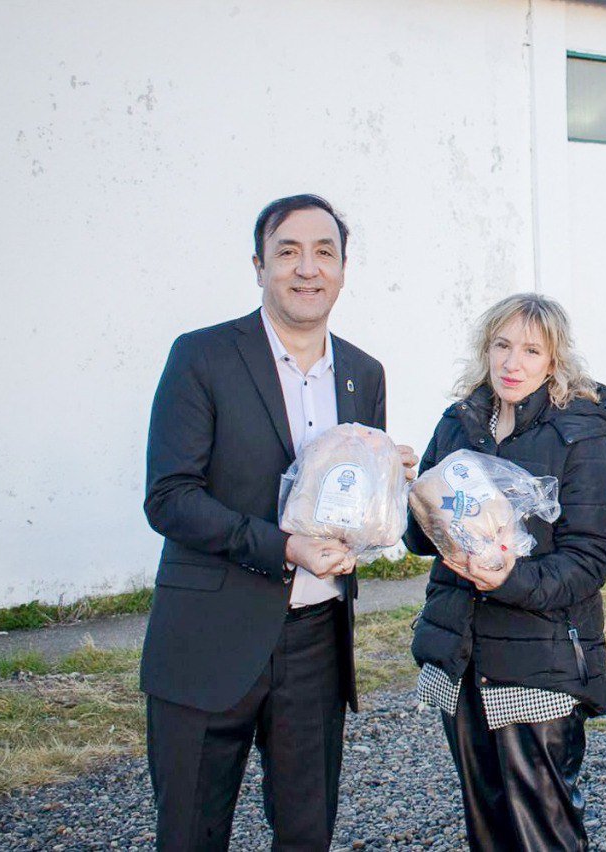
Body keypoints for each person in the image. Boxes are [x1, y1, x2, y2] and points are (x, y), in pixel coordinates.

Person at [142, 194, 416, 850]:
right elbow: (170, 497)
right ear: (259, 265)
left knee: (305, 833)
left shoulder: (362, 372)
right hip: (210, 636)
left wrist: (389, 484)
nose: (306, 268)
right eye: (288, 251)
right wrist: (286, 547)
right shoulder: (201, 357)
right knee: (189, 834)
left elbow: (349, 507)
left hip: (316, 641)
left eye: (324, 252)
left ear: (344, 270)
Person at [408, 293, 606, 852]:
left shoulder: (581, 435)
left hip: (538, 663)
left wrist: (509, 580)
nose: (512, 362)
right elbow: (419, 540)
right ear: (486, 349)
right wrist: (408, 494)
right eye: (502, 345)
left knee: (543, 832)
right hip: (462, 655)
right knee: (488, 827)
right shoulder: (458, 423)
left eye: (531, 350)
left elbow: (588, 562)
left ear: (554, 361)